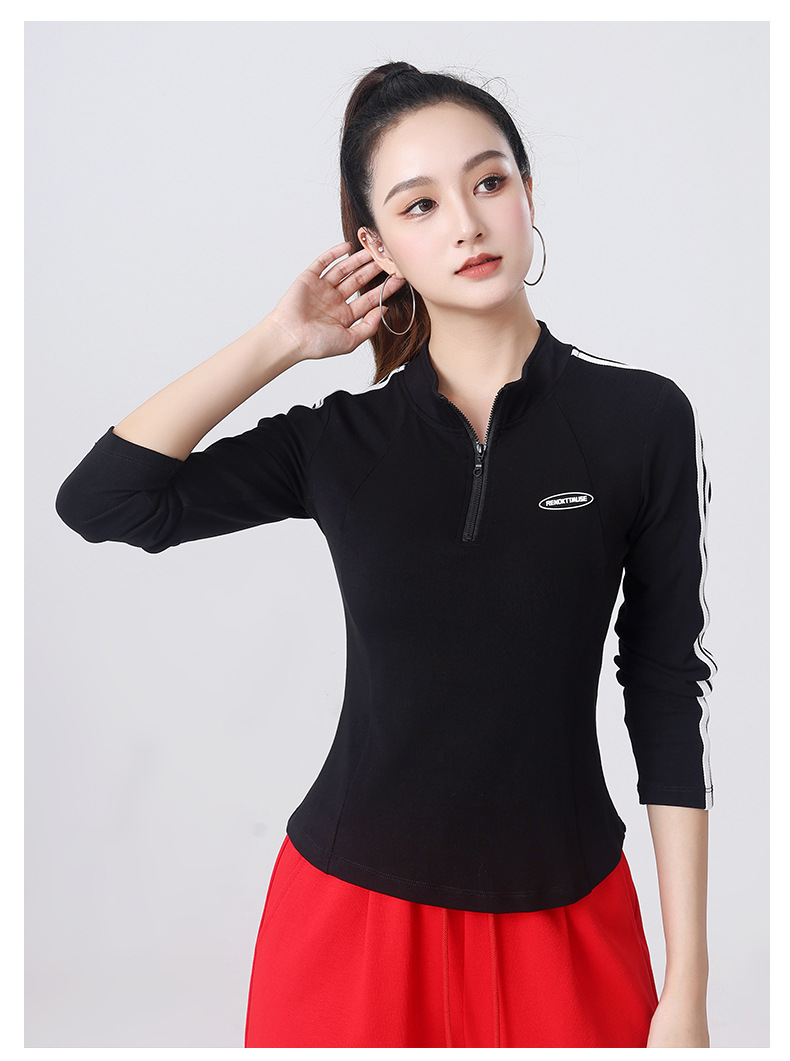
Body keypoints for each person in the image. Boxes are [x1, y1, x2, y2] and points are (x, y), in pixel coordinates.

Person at [55, 61, 715, 1048]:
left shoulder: (642, 420)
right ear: (375, 246)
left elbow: (664, 688)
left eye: (488, 181)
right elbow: (106, 500)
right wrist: (280, 340)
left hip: (569, 917)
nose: (467, 224)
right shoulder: (339, 442)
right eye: (420, 204)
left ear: (528, 193)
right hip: (351, 921)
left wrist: (687, 984)